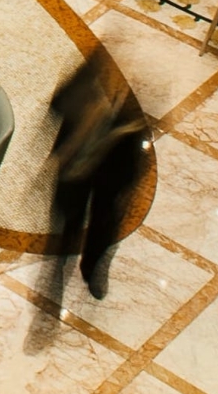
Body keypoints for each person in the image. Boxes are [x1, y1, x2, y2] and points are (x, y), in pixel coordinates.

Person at [46, 48, 151, 301]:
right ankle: (60, 259)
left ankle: (91, 269)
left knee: (103, 222)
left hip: (112, 170)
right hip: (77, 167)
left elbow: (137, 142)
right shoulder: (90, 77)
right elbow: (57, 104)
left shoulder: (134, 106)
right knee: (69, 218)